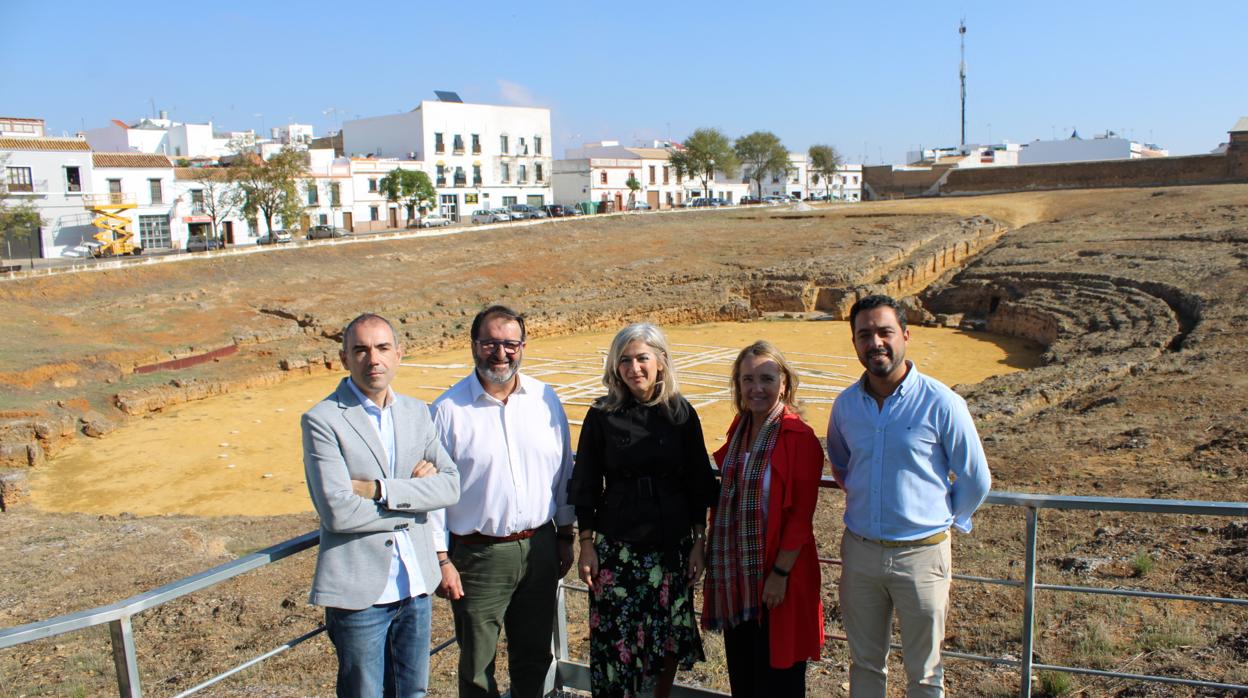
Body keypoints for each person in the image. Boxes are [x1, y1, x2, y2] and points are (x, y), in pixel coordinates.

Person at [826, 295, 992, 698]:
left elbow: (975, 478)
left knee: (925, 672)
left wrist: (945, 518)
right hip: (861, 555)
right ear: (854, 342)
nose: (875, 342)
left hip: (923, 555)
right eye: (864, 334)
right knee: (865, 664)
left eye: (884, 332)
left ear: (905, 334)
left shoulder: (942, 403)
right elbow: (844, 466)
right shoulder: (846, 406)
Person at [302, 313, 461, 698]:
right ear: (344, 359)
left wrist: (378, 490)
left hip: (416, 582)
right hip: (360, 593)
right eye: (361, 350)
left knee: (413, 692)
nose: (373, 359)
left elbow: (451, 486)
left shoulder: (416, 412)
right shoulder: (322, 420)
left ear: (398, 354)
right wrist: (415, 500)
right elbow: (338, 512)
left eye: (382, 348)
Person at [429, 305, 576, 698]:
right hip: (478, 557)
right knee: (477, 667)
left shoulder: (545, 399)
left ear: (523, 346)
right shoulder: (447, 411)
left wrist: (565, 535)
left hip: (541, 547)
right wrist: (441, 560)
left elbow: (562, 472)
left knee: (533, 657)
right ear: (474, 346)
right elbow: (432, 498)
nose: (501, 353)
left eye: (510, 344)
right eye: (490, 343)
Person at [567, 323, 719, 698]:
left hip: (671, 550)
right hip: (619, 551)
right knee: (616, 644)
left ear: (661, 362)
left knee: (665, 643)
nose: (634, 367)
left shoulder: (682, 413)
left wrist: (699, 541)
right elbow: (585, 484)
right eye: (625, 360)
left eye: (642, 358)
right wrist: (585, 544)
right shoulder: (601, 415)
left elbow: (699, 483)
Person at [702, 340, 825, 697]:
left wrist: (779, 575)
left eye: (767, 378)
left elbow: (801, 518)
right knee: (744, 676)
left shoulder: (799, 438)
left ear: (784, 383)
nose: (757, 388)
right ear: (738, 385)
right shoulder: (739, 429)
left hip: (778, 580)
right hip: (737, 579)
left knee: (779, 678)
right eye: (748, 379)